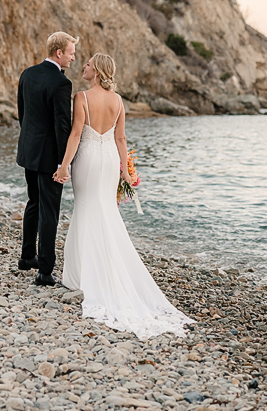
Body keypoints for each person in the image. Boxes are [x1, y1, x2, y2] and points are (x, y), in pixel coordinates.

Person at [53, 53, 194, 338]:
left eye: (89, 64)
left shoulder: (81, 97)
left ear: (98, 71)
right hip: (108, 159)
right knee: (105, 210)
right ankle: (103, 270)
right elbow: (121, 138)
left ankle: (84, 276)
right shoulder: (118, 102)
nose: (84, 66)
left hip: (89, 158)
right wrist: (125, 172)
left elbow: (77, 133)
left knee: (86, 209)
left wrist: (64, 164)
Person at [16, 31, 77, 286]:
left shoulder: (27, 73)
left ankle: (27, 257)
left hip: (29, 151)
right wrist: (64, 163)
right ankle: (45, 271)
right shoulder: (61, 83)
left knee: (34, 203)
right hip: (49, 156)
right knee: (49, 211)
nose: (73, 58)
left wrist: (30, 143)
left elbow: (22, 113)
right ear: (59, 53)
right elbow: (62, 126)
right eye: (71, 53)